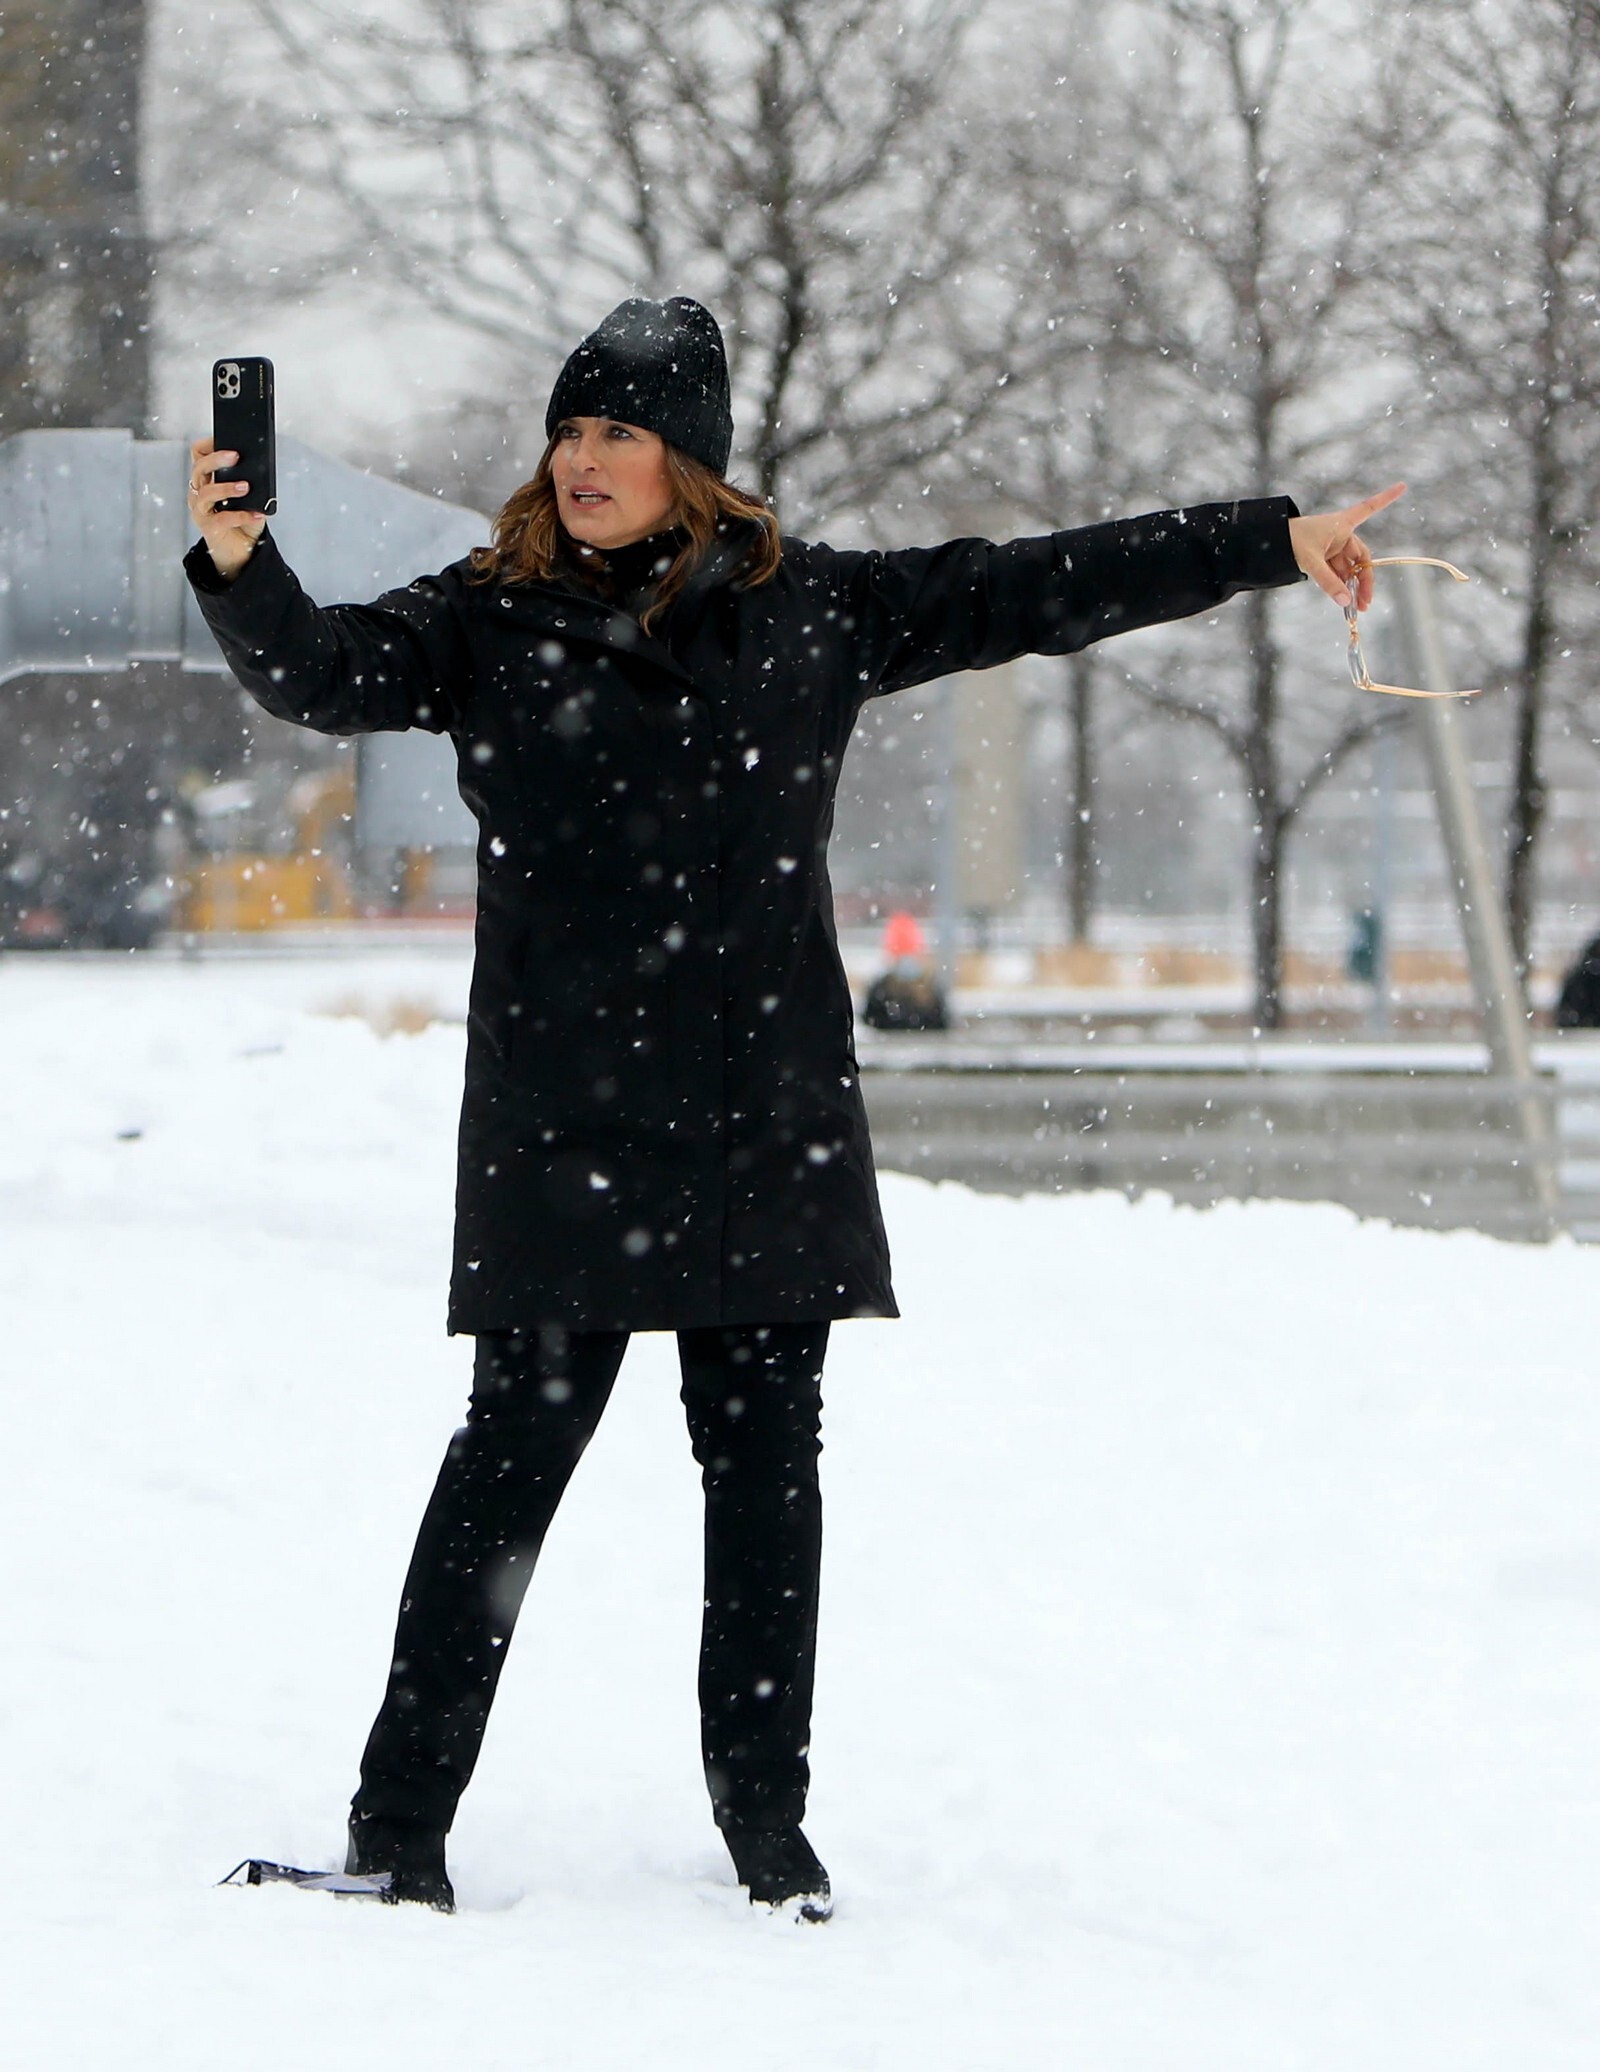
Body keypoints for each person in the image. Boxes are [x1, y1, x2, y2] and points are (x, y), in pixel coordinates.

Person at [185, 294, 1403, 1919]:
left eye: (621, 431)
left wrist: (1270, 539)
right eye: (570, 429)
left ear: (691, 461)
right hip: (565, 1125)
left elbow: (1037, 584)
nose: (583, 458)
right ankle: (398, 1833)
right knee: (505, 1472)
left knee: (764, 1478)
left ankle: (770, 1830)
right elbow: (322, 676)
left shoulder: (813, 611)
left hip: (763, 1119)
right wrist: (241, 565)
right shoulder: (487, 615)